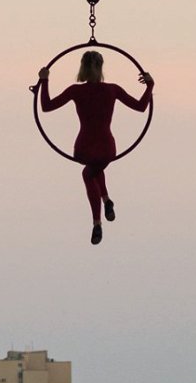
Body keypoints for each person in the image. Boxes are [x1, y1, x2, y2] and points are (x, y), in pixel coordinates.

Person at [37, 50, 153, 244]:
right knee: (95, 168)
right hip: (107, 147)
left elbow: (46, 106)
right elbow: (141, 107)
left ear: (82, 67)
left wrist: (44, 81)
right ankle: (106, 201)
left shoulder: (76, 91)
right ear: (101, 67)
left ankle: (98, 220)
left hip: (84, 147)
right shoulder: (112, 90)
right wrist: (150, 85)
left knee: (89, 172)